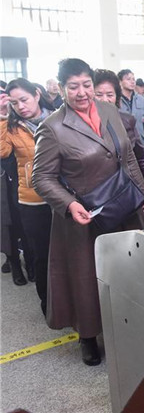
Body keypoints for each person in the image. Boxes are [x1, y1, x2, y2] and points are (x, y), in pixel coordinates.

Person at [33, 58, 144, 366]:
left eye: (87, 85)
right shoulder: (53, 127)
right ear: (61, 88)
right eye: (73, 87)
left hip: (124, 206)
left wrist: (143, 194)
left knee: (127, 270)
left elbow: (128, 157)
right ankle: (87, 335)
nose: (82, 92)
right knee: (86, 278)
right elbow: (41, 177)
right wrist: (70, 205)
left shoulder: (109, 111)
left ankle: (127, 325)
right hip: (85, 215)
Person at [1, 79, 53, 300]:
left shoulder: (57, 118)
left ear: (37, 94)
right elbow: (2, 152)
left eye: (24, 99)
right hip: (32, 199)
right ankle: (46, 303)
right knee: (41, 254)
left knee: (67, 253)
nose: (20, 107)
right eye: (14, 103)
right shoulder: (12, 127)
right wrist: (3, 117)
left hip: (64, 196)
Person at [93, 69, 144, 188]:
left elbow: (141, 158)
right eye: (99, 95)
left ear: (117, 97)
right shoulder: (82, 125)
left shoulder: (126, 121)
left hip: (125, 186)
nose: (105, 99)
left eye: (110, 95)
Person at [118, 69, 144, 145]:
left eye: (133, 79)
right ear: (120, 82)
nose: (132, 82)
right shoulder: (116, 100)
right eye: (128, 79)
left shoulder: (142, 100)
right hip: (123, 142)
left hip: (140, 141)